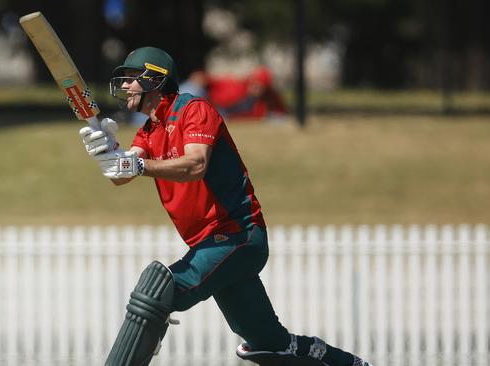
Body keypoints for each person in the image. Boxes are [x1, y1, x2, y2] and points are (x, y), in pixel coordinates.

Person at [79, 47, 373, 366]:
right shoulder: (149, 130)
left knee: (156, 293)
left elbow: (195, 165)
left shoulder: (194, 109)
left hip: (236, 235)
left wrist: (135, 166)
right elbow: (123, 174)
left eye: (131, 79)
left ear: (155, 78)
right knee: (270, 343)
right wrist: (107, 153)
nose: (124, 87)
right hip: (213, 245)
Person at [180, 67, 287, 122]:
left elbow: (280, 112)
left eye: (261, 88)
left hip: (218, 114)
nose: (257, 90)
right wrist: (202, 79)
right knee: (192, 90)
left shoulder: (263, 101)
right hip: (206, 102)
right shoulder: (237, 86)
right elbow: (206, 79)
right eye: (256, 85)